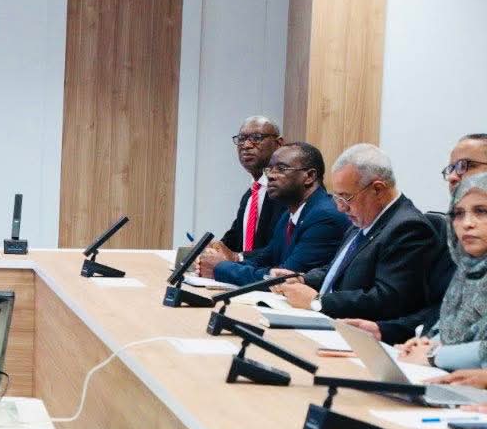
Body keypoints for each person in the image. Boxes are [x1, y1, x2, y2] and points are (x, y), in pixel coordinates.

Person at [272, 144, 443, 327]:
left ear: (377, 190)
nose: (340, 208)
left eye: (346, 197)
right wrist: (302, 279)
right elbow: (337, 270)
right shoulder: (365, 218)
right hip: (329, 322)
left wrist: (318, 302)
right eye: (337, 198)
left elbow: (388, 299)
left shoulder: (408, 228)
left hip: (361, 333)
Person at [342, 134, 483, 343]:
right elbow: (437, 309)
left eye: (465, 166)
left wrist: (436, 352)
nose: (453, 177)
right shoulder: (448, 233)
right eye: (451, 168)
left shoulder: (410, 225)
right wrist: (384, 330)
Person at [207, 142, 348, 286]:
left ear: (309, 176)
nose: (270, 176)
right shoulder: (289, 214)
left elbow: (285, 279)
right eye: (269, 169)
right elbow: (265, 258)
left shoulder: (324, 217)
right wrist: (228, 261)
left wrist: (220, 268)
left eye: (281, 169)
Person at [393, 173, 487, 372]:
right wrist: (429, 342)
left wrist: (433, 355)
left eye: (481, 211)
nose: (467, 223)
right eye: (458, 214)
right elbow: (454, 328)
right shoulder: (467, 269)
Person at [201, 117, 287, 273]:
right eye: (241, 139)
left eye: (256, 138)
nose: (246, 145)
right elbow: (234, 240)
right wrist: (212, 249)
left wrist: (237, 257)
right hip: (238, 277)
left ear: (278, 144)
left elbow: (278, 249)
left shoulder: (286, 193)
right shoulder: (251, 194)